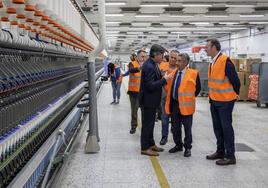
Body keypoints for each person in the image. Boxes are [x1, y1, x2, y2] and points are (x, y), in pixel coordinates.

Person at [205, 39, 240, 165]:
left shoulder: (225, 61)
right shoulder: (212, 62)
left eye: (207, 47)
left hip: (225, 101)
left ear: (214, 47)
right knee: (217, 128)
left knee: (226, 128)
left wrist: (235, 94)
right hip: (214, 100)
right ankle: (220, 151)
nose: (205, 49)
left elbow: (236, 81)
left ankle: (230, 156)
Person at [165, 53, 201, 157]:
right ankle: (178, 145)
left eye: (179, 61)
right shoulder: (174, 72)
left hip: (186, 105)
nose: (177, 62)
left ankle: (188, 147)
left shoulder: (194, 73)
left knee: (187, 128)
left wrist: (188, 98)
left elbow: (197, 89)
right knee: (175, 127)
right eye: (177, 60)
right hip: (175, 104)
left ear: (186, 63)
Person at [139, 44, 172, 156]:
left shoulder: (154, 64)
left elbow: (153, 79)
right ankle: (144, 147)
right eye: (162, 55)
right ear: (156, 54)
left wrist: (161, 76)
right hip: (148, 101)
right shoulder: (149, 66)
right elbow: (150, 86)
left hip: (152, 101)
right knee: (147, 125)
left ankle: (151, 143)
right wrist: (164, 80)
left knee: (151, 124)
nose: (163, 57)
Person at [159, 50, 180, 145]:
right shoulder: (162, 66)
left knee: (176, 120)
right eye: (171, 57)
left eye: (175, 58)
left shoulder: (180, 69)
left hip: (175, 98)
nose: (173, 59)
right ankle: (164, 137)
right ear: (169, 57)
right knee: (164, 118)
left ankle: (176, 139)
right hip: (164, 97)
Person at [128, 50, 147, 134]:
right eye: (142, 56)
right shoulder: (132, 63)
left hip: (144, 93)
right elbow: (131, 70)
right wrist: (139, 68)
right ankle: (133, 126)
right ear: (138, 56)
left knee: (144, 112)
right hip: (134, 93)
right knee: (134, 111)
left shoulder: (147, 65)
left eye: (145, 56)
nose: (144, 58)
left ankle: (144, 127)